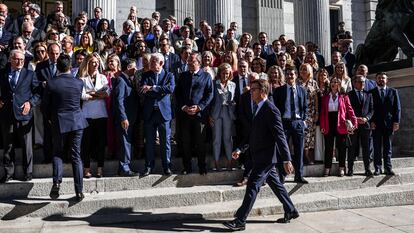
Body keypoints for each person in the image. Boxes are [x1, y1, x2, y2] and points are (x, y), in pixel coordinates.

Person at [223, 79, 299, 231]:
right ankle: (290, 210)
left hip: (265, 157)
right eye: (251, 90)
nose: (251, 92)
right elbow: (253, 133)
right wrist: (240, 148)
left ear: (263, 91)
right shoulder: (258, 108)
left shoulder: (271, 109)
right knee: (276, 185)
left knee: (252, 185)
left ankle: (240, 220)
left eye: (254, 90)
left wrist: (286, 159)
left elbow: (280, 136)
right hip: (258, 155)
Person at [43, 54, 87, 201]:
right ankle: (79, 190)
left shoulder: (51, 83)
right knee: (76, 156)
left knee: (58, 153)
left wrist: (50, 119)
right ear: (70, 67)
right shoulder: (79, 82)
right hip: (77, 121)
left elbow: (45, 106)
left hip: (59, 121)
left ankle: (56, 182)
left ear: (57, 67)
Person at [0, 50, 40, 183]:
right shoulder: (2, 74)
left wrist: (30, 103)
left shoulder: (30, 74)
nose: (20, 62)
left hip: (24, 114)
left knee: (26, 144)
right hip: (7, 113)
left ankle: (28, 172)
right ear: (11, 59)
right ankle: (8, 173)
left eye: (22, 60)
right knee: (8, 145)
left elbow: (38, 93)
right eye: (17, 59)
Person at [175, 52, 214, 175]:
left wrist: (199, 107)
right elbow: (178, 94)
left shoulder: (206, 76)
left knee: (200, 142)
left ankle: (202, 166)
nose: (190, 63)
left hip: (199, 115)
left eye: (192, 61)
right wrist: (184, 107)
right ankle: (187, 167)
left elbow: (209, 94)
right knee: (186, 142)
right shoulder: (183, 76)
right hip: (185, 115)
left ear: (199, 62)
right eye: (189, 61)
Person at [140, 53, 175, 176]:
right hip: (150, 112)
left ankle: (167, 166)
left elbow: (170, 89)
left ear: (161, 63)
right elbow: (143, 90)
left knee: (165, 141)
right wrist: (159, 90)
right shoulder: (145, 75)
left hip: (163, 113)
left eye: (154, 61)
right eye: (151, 61)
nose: (151, 63)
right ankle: (149, 166)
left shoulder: (169, 75)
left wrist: (153, 88)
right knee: (149, 141)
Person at [273, 67, 308, 184]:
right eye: (287, 74)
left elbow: (304, 107)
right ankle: (281, 176)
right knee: (282, 150)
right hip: (284, 122)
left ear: (296, 75)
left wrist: (303, 120)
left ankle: (299, 175)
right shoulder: (279, 91)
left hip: (298, 123)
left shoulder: (302, 90)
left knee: (299, 150)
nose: (290, 76)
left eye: (292, 74)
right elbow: (276, 108)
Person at [78, 53, 109, 178]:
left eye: (97, 62)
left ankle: (100, 168)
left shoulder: (102, 78)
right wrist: (97, 95)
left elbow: (107, 93)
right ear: (88, 63)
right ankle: (87, 168)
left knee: (101, 143)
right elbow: (82, 95)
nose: (95, 64)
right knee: (87, 143)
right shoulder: (82, 79)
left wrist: (92, 94)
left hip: (101, 114)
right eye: (92, 62)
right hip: (87, 114)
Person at [320, 77, 357, 177]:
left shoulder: (344, 97)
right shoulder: (325, 97)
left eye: (335, 82)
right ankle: (327, 168)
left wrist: (354, 123)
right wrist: (322, 125)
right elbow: (323, 113)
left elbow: (350, 111)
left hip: (341, 123)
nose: (333, 83)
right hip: (328, 123)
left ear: (339, 85)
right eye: (332, 82)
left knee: (342, 147)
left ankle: (341, 168)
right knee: (328, 147)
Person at [112, 58, 140, 177]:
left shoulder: (129, 80)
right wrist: (123, 118)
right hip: (124, 119)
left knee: (127, 142)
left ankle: (123, 167)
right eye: (134, 67)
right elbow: (119, 101)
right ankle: (124, 168)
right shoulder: (121, 81)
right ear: (128, 68)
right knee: (125, 143)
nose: (136, 69)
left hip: (131, 117)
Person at [371, 72, 401, 176]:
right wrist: (371, 122)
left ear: (387, 80)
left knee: (388, 147)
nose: (381, 80)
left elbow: (397, 108)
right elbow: (370, 109)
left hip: (389, 124)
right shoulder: (371, 92)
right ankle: (378, 168)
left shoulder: (393, 91)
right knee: (377, 147)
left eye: (383, 78)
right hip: (376, 124)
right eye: (379, 78)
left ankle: (388, 168)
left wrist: (396, 121)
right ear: (376, 80)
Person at [209, 63, 236, 171]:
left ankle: (230, 162)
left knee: (227, 138)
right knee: (216, 138)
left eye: (227, 73)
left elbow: (235, 99)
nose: (225, 75)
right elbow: (210, 100)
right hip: (216, 113)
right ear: (219, 73)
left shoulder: (233, 85)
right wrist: (209, 115)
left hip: (228, 113)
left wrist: (233, 104)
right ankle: (216, 162)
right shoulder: (213, 84)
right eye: (223, 73)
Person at [234, 72, 260, 186]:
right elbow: (241, 113)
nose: (253, 83)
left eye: (256, 81)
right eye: (251, 81)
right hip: (248, 128)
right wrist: (248, 125)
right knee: (249, 153)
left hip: (261, 129)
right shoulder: (244, 96)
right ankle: (246, 177)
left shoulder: (264, 96)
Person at [348, 75, 374, 176]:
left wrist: (366, 118)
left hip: (365, 125)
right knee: (352, 147)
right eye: (360, 82)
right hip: (354, 125)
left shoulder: (369, 94)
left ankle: (367, 169)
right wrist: (355, 119)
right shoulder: (349, 95)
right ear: (354, 83)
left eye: (363, 82)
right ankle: (350, 169)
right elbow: (347, 110)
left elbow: (372, 110)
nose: (362, 84)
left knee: (366, 148)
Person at [298, 63, 319, 165]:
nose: (302, 71)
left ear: (309, 71)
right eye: (301, 69)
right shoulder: (297, 82)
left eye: (305, 69)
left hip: (310, 113)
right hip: (299, 113)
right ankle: (301, 156)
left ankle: (306, 156)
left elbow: (316, 99)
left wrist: (317, 113)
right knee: (300, 135)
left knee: (309, 136)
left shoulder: (313, 83)